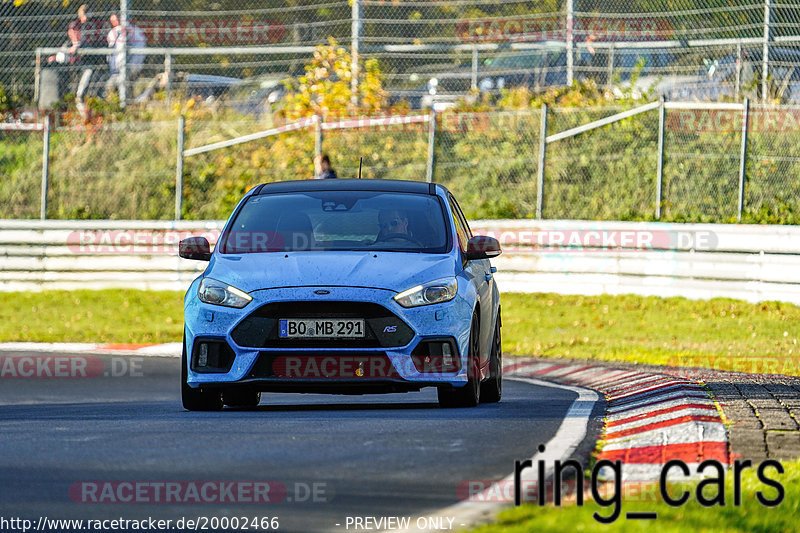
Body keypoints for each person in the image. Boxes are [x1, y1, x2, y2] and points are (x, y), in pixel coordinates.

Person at [105, 12, 147, 98]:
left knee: (123, 87)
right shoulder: (112, 32)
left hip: (129, 67)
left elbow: (140, 51)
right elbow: (110, 52)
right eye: (112, 21)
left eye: (115, 20)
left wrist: (132, 67)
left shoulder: (135, 32)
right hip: (114, 69)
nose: (114, 23)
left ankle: (126, 105)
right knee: (111, 88)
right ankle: (122, 104)